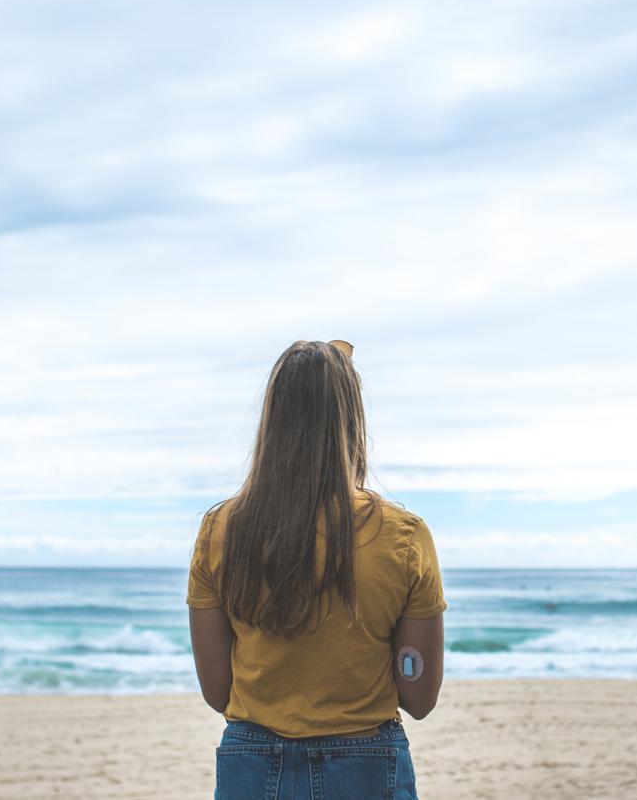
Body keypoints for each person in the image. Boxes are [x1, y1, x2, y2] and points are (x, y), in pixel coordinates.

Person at [187, 338, 446, 800]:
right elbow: (420, 698)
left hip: (252, 759)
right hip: (365, 761)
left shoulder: (220, 530)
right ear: (352, 420)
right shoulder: (403, 535)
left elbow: (217, 690)